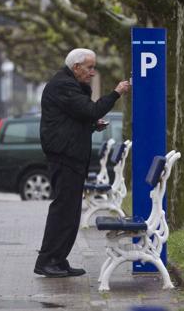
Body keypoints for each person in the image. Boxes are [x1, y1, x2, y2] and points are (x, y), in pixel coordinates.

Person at [34, 48, 131, 278]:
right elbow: (91, 109)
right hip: (65, 157)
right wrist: (116, 92)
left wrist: (91, 125)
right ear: (76, 67)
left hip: (71, 156)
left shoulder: (69, 85)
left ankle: (58, 259)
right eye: (89, 68)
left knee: (70, 213)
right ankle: (47, 261)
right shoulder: (63, 86)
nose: (92, 73)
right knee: (63, 211)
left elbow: (77, 118)